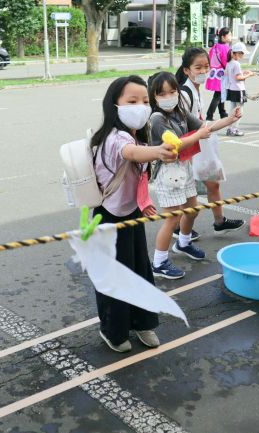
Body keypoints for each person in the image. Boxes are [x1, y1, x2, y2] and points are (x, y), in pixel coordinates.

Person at [91, 75, 177, 353]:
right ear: (114, 105)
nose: (140, 106)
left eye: (144, 101)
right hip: (108, 218)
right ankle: (113, 331)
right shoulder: (115, 138)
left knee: (140, 271)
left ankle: (143, 322)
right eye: (132, 101)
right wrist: (158, 151)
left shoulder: (133, 134)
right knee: (115, 278)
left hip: (131, 215)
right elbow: (131, 153)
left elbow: (137, 162)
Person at [148, 71, 242, 280]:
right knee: (172, 218)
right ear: (154, 97)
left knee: (191, 209)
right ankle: (159, 262)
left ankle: (183, 243)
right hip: (168, 173)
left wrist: (229, 119)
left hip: (185, 167)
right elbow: (174, 145)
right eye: (162, 94)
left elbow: (205, 128)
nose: (169, 97)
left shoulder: (179, 112)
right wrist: (198, 135)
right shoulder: (156, 119)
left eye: (172, 91)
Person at [175, 47, 246, 237]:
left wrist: (229, 119)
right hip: (191, 149)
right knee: (189, 194)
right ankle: (179, 231)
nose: (203, 71)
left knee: (212, 185)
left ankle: (219, 221)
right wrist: (226, 121)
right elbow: (189, 127)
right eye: (198, 67)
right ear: (186, 70)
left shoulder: (196, 90)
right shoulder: (184, 94)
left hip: (202, 146)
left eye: (206, 66)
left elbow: (201, 124)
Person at [222, 42, 254, 137]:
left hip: (232, 89)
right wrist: (249, 75)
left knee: (232, 110)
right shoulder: (236, 64)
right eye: (242, 53)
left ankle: (230, 129)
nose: (242, 55)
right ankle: (234, 129)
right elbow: (238, 78)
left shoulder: (229, 63)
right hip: (238, 90)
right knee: (239, 111)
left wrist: (243, 72)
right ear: (237, 53)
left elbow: (231, 75)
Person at [206, 27, 231, 121]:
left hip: (214, 73)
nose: (230, 37)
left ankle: (222, 112)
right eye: (229, 35)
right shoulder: (225, 48)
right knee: (218, 95)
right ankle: (209, 115)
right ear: (223, 37)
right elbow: (226, 62)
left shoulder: (214, 47)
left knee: (220, 93)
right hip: (222, 74)